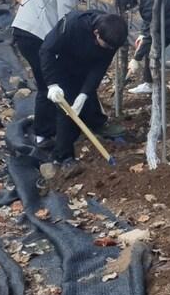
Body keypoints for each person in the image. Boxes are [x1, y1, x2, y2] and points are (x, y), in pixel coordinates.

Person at [12, 0, 105, 128]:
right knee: (49, 84)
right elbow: (68, 19)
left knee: (52, 81)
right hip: (34, 34)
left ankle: (56, 126)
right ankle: (45, 133)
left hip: (27, 30)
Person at [38, 10, 127, 179]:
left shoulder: (112, 37)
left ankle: (97, 124)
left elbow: (99, 68)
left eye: (112, 48)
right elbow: (46, 51)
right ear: (96, 33)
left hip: (85, 67)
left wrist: (85, 93)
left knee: (86, 99)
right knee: (67, 111)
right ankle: (63, 156)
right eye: (107, 46)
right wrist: (52, 84)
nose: (110, 50)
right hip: (61, 66)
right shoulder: (72, 24)